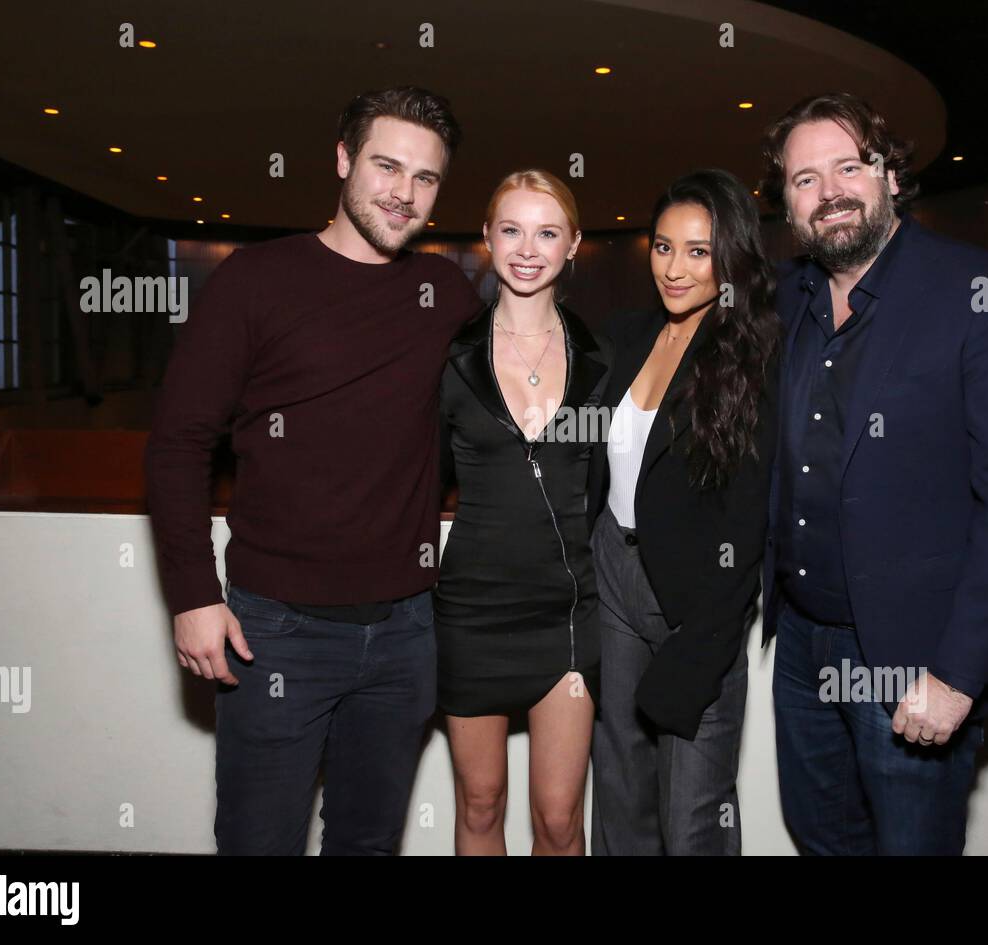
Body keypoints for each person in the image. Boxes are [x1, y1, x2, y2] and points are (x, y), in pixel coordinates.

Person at [144, 86, 481, 855]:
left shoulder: (446, 293)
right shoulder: (254, 280)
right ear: (342, 159)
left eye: (425, 178)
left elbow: (527, 370)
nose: (404, 193)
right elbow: (177, 442)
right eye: (386, 166)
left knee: (367, 842)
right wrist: (193, 594)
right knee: (260, 841)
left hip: (406, 630)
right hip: (276, 630)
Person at [759, 92, 988, 855]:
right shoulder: (787, 298)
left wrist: (960, 672)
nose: (828, 191)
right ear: (788, 203)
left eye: (849, 166)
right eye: (803, 179)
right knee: (822, 837)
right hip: (801, 643)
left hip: (913, 655)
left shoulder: (986, 296)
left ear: (891, 175)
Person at [586, 169, 781, 855]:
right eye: (663, 246)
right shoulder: (625, 333)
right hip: (613, 570)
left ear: (731, 258)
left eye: (698, 251)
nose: (674, 267)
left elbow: (748, 521)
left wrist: (707, 636)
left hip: (697, 598)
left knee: (692, 812)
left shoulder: (754, 355)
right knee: (618, 792)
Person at [436, 170, 611, 855]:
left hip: (569, 615)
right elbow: (415, 484)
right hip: (472, 612)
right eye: (511, 229)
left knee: (560, 819)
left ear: (573, 245)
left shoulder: (604, 360)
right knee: (480, 804)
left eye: (547, 232)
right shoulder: (449, 358)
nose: (527, 248)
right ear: (486, 238)